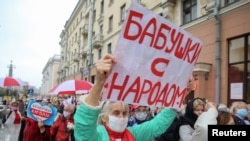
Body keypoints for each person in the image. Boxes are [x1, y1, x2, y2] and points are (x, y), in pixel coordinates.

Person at [74, 54, 177, 141]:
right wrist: (99, 82)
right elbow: (84, 125)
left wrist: (178, 96)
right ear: (104, 117)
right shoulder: (97, 136)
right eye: (116, 113)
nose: (122, 117)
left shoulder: (134, 133)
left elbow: (158, 124)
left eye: (124, 113)